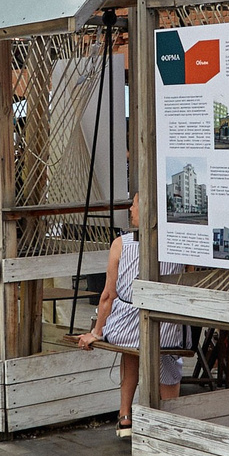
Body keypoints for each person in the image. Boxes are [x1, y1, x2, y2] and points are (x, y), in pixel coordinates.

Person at [74, 187, 185, 437]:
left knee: (132, 346)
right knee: (167, 355)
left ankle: (125, 417)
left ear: (146, 210)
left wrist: (96, 332)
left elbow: (108, 295)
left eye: (134, 204)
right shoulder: (176, 243)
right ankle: (168, 421)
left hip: (125, 330)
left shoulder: (121, 244)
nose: (131, 209)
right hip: (165, 329)